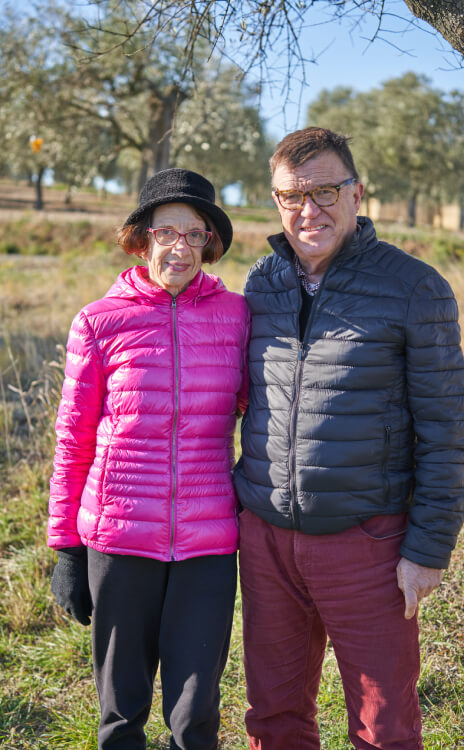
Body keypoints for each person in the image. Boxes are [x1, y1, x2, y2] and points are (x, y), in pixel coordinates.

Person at [234, 127, 464, 750]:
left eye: (324, 191)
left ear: (357, 193)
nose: (308, 209)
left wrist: (427, 549)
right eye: (291, 195)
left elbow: (448, 431)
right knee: (273, 718)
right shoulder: (262, 284)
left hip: (368, 542)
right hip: (266, 539)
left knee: (383, 727)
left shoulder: (414, 288)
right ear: (276, 200)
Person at [48, 168, 250, 750]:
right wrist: (66, 546)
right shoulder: (98, 322)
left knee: (195, 719)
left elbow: (257, 408)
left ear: (210, 243)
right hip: (118, 540)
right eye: (167, 232)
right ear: (142, 239)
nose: (180, 247)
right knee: (121, 714)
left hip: (208, 543)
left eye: (195, 234)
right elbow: (73, 439)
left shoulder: (237, 317)